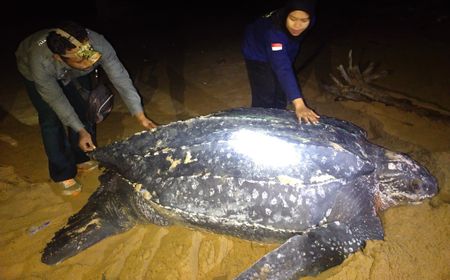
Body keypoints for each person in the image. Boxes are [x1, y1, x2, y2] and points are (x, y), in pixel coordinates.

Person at [15, 21, 157, 195]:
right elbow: (56, 99)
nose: (89, 62)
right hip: (33, 68)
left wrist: (139, 115)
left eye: (88, 54)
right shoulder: (41, 61)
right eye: (81, 58)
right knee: (51, 118)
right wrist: (80, 130)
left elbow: (119, 77)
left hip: (74, 70)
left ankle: (82, 156)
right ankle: (62, 172)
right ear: (59, 57)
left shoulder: (95, 43)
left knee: (84, 108)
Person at [242, 0, 320, 124]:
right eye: (293, 19)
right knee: (265, 95)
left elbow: (285, 60)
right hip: (257, 50)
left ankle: (277, 120)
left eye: (304, 21)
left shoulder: (309, 20)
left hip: (283, 48)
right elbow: (282, 66)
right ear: (285, 15)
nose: (297, 25)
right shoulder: (273, 32)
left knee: (281, 93)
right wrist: (299, 104)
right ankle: (259, 125)